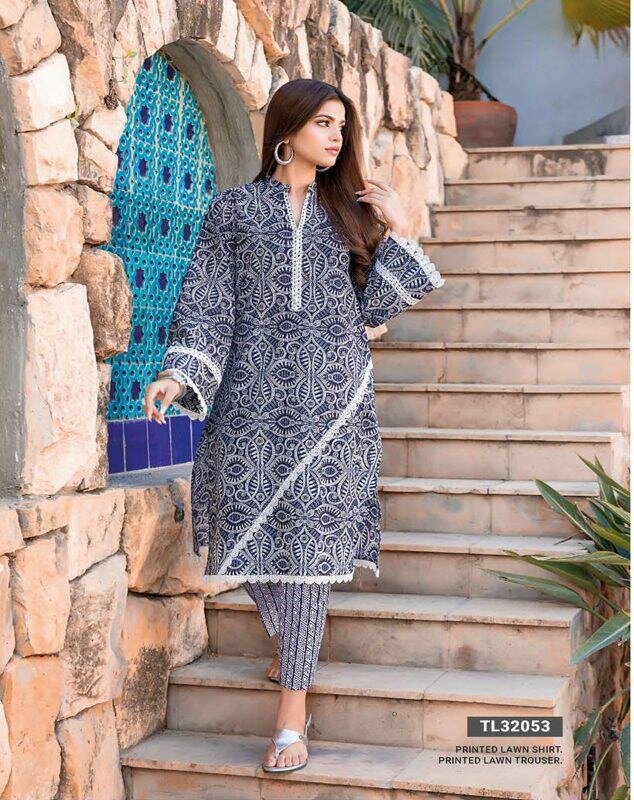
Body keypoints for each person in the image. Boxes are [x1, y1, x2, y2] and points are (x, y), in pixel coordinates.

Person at [143, 77, 445, 774]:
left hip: (334, 402)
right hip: (249, 398)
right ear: (287, 129)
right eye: (323, 123)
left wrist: (399, 230)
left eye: (342, 125)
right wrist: (178, 374)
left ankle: (290, 715)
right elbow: (208, 304)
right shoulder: (235, 210)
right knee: (232, 516)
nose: (337, 137)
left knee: (309, 549)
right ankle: (294, 640)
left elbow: (374, 310)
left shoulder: (350, 213)